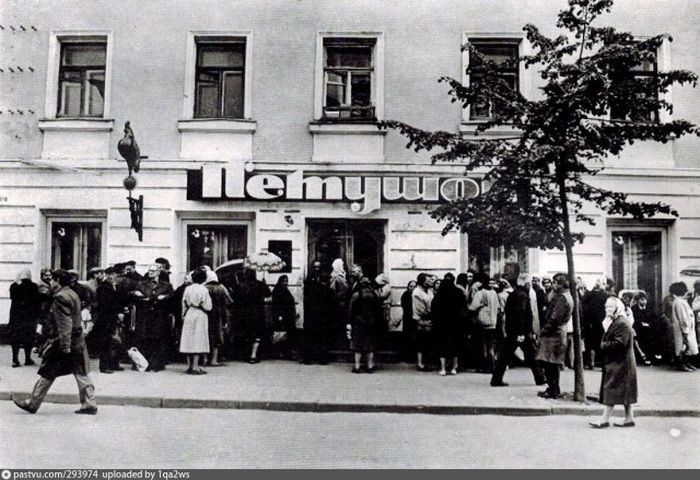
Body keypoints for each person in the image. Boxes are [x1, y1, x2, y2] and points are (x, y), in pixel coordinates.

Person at [13, 269, 98, 415]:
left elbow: (65, 324)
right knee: (82, 372)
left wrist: (65, 347)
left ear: (58, 281)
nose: (50, 282)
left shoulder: (60, 297)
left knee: (47, 372)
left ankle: (32, 403)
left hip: (63, 342)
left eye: (52, 279)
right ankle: (89, 404)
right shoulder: (72, 293)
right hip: (78, 340)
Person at [590, 297, 638, 428]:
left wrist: (604, 345)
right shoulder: (616, 320)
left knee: (611, 389)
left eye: (611, 307)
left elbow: (620, 343)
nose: (607, 309)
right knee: (626, 390)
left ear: (618, 308)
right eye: (606, 307)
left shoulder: (621, 322)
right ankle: (629, 418)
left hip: (621, 363)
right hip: (621, 362)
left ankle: (604, 419)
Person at [491, 274, 546, 387]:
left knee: (506, 356)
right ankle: (539, 377)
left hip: (513, 330)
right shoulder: (522, 296)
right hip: (520, 332)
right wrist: (521, 333)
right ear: (526, 283)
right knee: (531, 355)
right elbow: (520, 314)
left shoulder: (515, 294)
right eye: (529, 283)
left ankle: (496, 379)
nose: (530, 285)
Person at [129, 264, 174, 372]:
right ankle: (142, 363)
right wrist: (137, 294)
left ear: (158, 272)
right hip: (144, 315)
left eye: (153, 271)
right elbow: (133, 295)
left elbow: (172, 297)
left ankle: (156, 364)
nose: (151, 273)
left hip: (159, 316)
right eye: (149, 271)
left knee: (157, 339)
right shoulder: (141, 284)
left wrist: (165, 297)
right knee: (143, 339)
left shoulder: (166, 285)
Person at [536, 273, 573, 399]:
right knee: (551, 364)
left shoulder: (562, 298)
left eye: (555, 283)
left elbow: (554, 319)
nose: (553, 285)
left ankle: (553, 390)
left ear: (561, 284)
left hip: (554, 335)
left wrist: (543, 331)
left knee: (550, 364)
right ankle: (552, 389)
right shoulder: (566, 295)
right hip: (557, 333)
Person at [180, 267, 212, 375]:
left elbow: (183, 303)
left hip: (189, 313)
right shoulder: (204, 289)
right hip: (200, 314)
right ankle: (196, 366)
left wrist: (183, 314)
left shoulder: (187, 289)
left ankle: (189, 366)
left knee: (189, 339)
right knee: (198, 339)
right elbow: (208, 306)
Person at [94, 266, 127, 373]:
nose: (111, 277)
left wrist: (122, 311)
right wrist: (117, 313)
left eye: (113, 274)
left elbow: (122, 301)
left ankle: (114, 363)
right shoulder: (102, 288)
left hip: (117, 319)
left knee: (117, 342)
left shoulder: (119, 287)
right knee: (106, 343)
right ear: (105, 275)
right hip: (106, 319)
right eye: (108, 275)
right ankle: (104, 366)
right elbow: (105, 305)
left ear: (116, 275)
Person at [236, 268, 271, 364]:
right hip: (257, 313)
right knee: (257, 334)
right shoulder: (260, 284)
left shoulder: (241, 286)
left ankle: (246, 355)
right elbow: (268, 294)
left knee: (246, 334)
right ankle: (253, 355)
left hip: (244, 314)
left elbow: (237, 299)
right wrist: (265, 284)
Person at [302, 261, 335, 365]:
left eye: (318, 267)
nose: (316, 268)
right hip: (312, 312)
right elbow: (306, 294)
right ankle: (308, 358)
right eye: (315, 267)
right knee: (310, 337)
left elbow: (329, 295)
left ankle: (323, 358)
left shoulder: (325, 277)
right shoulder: (309, 278)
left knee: (322, 337)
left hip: (322, 313)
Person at [347, 277, 381, 373]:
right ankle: (369, 366)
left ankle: (357, 367)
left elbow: (350, 310)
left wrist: (349, 321)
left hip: (358, 322)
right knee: (369, 345)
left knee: (357, 345)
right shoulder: (374, 295)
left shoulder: (356, 295)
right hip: (371, 322)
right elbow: (378, 310)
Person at [432, 273, 463, 376]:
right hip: (456, 324)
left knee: (442, 347)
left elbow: (434, 310)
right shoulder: (458, 292)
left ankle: (443, 369)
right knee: (455, 346)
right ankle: (454, 368)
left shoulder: (439, 294)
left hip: (442, 325)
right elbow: (463, 308)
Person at [9, 268, 40, 367]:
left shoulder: (13, 286)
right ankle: (27, 358)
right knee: (29, 337)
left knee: (15, 337)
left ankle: (15, 359)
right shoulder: (34, 286)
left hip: (16, 316)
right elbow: (36, 300)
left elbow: (12, 298)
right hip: (29, 316)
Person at [469, 276, 501, 374]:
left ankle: (484, 366)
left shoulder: (480, 293)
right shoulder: (494, 293)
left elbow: (473, 308)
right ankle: (492, 366)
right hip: (493, 322)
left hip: (482, 322)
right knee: (491, 345)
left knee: (482, 346)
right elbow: (498, 308)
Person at [204, 268, 232, 366]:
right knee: (217, 336)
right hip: (218, 313)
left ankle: (204, 359)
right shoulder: (221, 287)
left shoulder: (204, 287)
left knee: (206, 335)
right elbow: (229, 300)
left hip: (206, 313)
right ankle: (214, 360)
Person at [669, 282, 698, 371]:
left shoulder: (680, 301)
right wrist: (685, 330)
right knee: (684, 347)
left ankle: (687, 363)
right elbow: (683, 317)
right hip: (684, 329)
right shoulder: (679, 302)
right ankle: (683, 365)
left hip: (687, 328)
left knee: (687, 347)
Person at [581, 277, 608, 369]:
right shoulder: (606, 295)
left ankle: (592, 363)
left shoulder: (588, 295)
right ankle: (603, 365)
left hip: (590, 323)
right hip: (602, 322)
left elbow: (584, 308)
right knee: (601, 342)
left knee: (591, 343)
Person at [270, 275, 297, 359]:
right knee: (281, 334)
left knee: (285, 334)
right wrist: (279, 315)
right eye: (284, 281)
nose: (285, 283)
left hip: (287, 316)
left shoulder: (285, 290)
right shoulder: (278, 291)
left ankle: (283, 352)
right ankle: (280, 352)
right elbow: (277, 305)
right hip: (282, 316)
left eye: (286, 281)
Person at [412, 273, 434, 371]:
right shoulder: (416, 292)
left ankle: (427, 362)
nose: (430, 282)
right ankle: (420, 363)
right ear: (422, 281)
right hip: (421, 319)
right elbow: (420, 309)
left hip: (429, 318)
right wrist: (430, 311)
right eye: (428, 281)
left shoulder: (429, 291)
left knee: (428, 342)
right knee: (421, 343)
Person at [631, 292, 660, 364]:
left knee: (654, 334)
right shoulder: (634, 309)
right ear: (638, 301)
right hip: (639, 328)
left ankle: (653, 355)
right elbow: (635, 320)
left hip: (649, 327)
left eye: (645, 300)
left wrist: (649, 324)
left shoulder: (650, 308)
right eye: (641, 300)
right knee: (643, 335)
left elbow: (654, 319)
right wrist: (641, 324)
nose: (644, 302)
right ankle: (644, 356)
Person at [400, 280, 417, 363]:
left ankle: (413, 357)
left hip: (415, 319)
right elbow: (404, 306)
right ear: (408, 287)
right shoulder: (405, 295)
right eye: (411, 286)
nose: (412, 288)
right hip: (408, 318)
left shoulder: (417, 295)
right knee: (407, 337)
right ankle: (407, 357)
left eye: (414, 286)